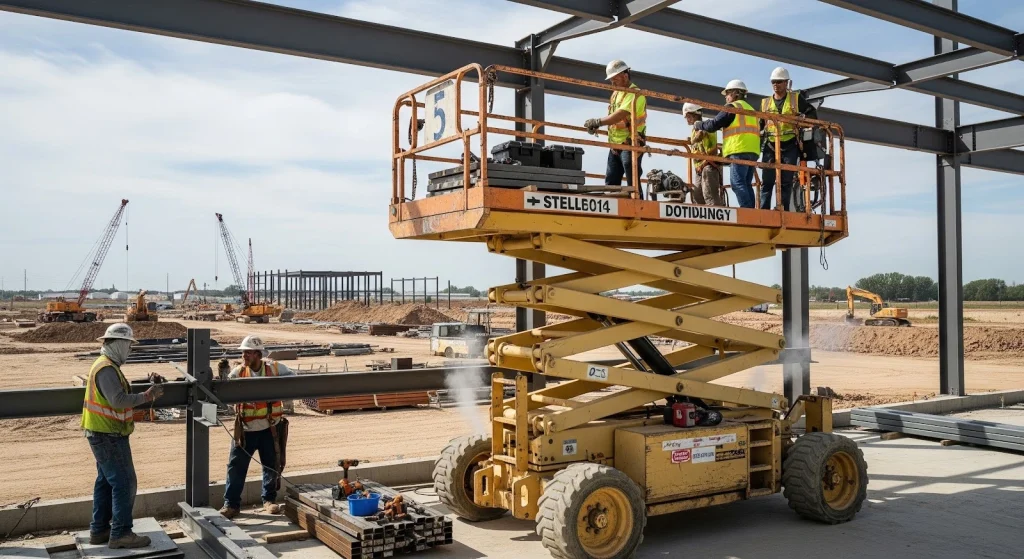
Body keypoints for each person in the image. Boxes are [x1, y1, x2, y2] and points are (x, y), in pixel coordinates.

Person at [82, 323, 164, 549]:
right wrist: (147, 396)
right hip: (108, 434)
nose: (129, 350)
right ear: (118, 344)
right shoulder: (106, 368)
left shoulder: (107, 366)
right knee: (125, 482)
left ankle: (99, 530)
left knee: (106, 481)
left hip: (103, 432)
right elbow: (117, 401)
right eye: (128, 345)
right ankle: (120, 533)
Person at [220, 335, 295, 519]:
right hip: (245, 430)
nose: (244, 355)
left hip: (270, 428)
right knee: (235, 467)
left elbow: (296, 382)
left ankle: (269, 500)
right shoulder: (238, 372)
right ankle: (231, 505)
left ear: (258, 354)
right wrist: (222, 377)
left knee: (271, 465)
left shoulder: (275, 369)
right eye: (243, 352)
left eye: (248, 352)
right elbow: (224, 395)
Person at [584, 60, 648, 196]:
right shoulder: (616, 93)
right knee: (611, 182)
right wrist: (598, 125)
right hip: (615, 145)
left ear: (625, 76)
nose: (613, 83)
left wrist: (597, 122)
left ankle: (639, 207)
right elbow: (613, 119)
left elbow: (619, 115)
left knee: (633, 182)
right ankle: (613, 210)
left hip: (630, 142)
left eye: (616, 79)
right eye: (611, 80)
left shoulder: (636, 94)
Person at [693, 80, 761, 208]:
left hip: (739, 150)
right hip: (753, 151)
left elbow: (714, 124)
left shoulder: (732, 107)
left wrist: (699, 125)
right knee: (746, 183)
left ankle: (747, 211)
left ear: (736, 93)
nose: (726, 96)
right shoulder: (751, 109)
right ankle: (752, 211)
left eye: (728, 93)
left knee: (737, 183)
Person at [759, 67, 818, 211]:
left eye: (779, 82)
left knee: (786, 181)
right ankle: (764, 209)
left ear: (786, 83)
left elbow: (812, 114)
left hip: (790, 143)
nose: (776, 85)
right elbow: (760, 124)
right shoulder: (765, 103)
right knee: (767, 181)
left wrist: (802, 119)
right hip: (771, 144)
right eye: (773, 82)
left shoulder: (795, 99)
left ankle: (783, 209)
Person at [682, 103, 724, 206]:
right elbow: (695, 145)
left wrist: (703, 164)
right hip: (699, 169)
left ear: (695, 114)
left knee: (709, 195)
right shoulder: (694, 130)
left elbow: (713, 152)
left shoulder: (708, 128)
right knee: (697, 195)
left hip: (709, 166)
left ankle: (716, 217)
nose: (687, 119)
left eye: (688, 116)